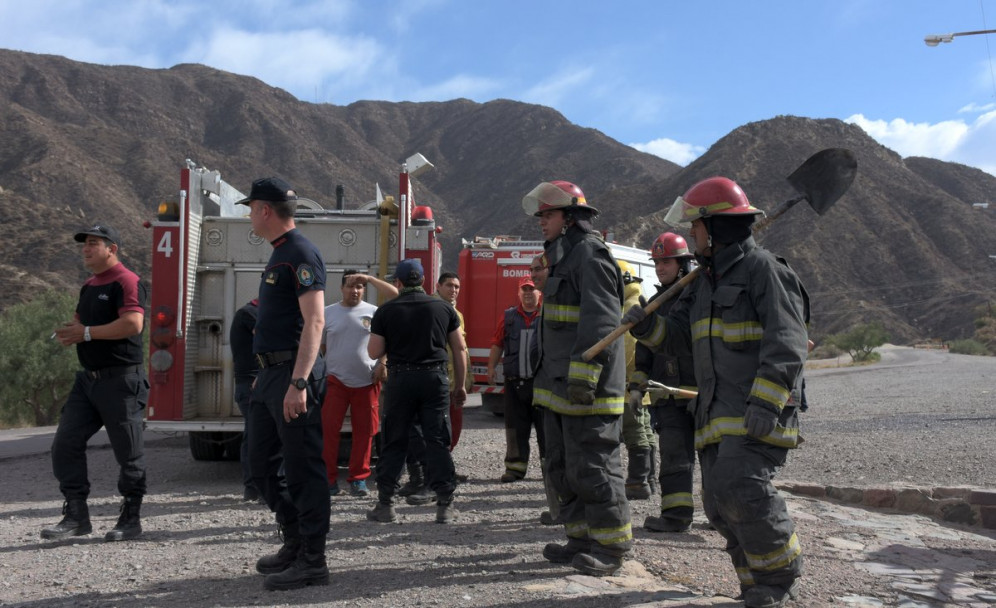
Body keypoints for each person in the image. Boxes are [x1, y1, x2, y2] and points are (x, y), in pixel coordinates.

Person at [624, 177, 809, 607]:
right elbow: (679, 339)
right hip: (714, 411)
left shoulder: (764, 270)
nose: (692, 237)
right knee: (719, 503)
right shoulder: (702, 284)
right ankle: (754, 583)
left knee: (741, 485)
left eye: (696, 227)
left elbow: (788, 340)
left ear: (715, 227)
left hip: (756, 409)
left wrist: (767, 399)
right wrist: (649, 327)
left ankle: (781, 579)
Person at [523, 180, 631, 577]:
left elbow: (601, 322)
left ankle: (612, 546)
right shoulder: (564, 259)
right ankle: (581, 538)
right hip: (559, 388)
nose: (541, 223)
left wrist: (584, 379)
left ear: (570, 218)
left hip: (589, 390)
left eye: (548, 215)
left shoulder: (590, 256)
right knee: (563, 467)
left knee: (594, 468)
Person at [236, 177, 330, 592]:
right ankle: (293, 539)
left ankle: (313, 560)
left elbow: (315, 321)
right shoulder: (279, 255)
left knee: (303, 470)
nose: (248, 214)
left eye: (250, 207)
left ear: (264, 210)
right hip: (269, 377)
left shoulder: (300, 253)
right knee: (259, 468)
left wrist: (299, 381)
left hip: (293, 374)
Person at [43, 224, 149, 543]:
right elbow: (81, 321)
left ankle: (131, 518)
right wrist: (71, 330)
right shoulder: (89, 285)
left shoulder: (127, 281)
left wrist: (86, 333)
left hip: (121, 380)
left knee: (128, 454)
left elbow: (133, 323)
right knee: (65, 443)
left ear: (111, 248)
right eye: (83, 245)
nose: (86, 249)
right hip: (87, 382)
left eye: (93, 244)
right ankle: (76, 516)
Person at [366, 258, 467, 525]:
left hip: (401, 379)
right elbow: (459, 349)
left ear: (397, 282)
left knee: (394, 441)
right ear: (423, 281)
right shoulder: (444, 308)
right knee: (437, 440)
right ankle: (445, 505)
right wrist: (460, 386)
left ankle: (386, 504)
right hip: (434, 379)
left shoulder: (386, 311)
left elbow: (374, 352)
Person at [633, 233, 698, 532]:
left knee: (715, 457)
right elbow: (644, 352)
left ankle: (724, 516)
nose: (660, 267)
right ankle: (675, 516)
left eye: (666, 261)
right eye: (657, 262)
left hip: (699, 392)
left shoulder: (699, 297)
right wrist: (637, 385)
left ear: (683, 263)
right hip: (666, 396)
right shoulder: (655, 303)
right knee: (673, 457)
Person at [321, 270, 396, 498]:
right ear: (341, 288)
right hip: (336, 382)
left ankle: (358, 480)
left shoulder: (375, 312)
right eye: (350, 286)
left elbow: (395, 297)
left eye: (359, 287)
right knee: (328, 432)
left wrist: (382, 362)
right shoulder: (328, 313)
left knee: (365, 433)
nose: (355, 291)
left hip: (367, 382)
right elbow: (323, 347)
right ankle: (328, 480)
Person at [399, 271, 472, 504]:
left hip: (450, 382)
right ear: (437, 286)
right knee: (427, 433)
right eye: (449, 285)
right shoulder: (428, 307)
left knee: (447, 433)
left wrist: (463, 382)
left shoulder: (456, 313)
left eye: (457, 286)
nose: (454, 290)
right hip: (433, 381)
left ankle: (442, 472)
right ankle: (429, 478)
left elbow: (461, 350)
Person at [486, 276, 543, 484]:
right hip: (514, 383)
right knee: (515, 429)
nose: (528, 293)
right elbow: (497, 342)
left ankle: (550, 469)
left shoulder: (547, 316)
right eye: (524, 290)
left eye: (532, 290)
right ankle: (515, 468)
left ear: (539, 293)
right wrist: (491, 367)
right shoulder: (509, 316)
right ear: (519, 294)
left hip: (541, 384)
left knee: (547, 430)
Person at [616, 260, 656, 501]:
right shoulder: (639, 302)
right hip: (640, 386)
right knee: (645, 432)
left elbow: (627, 351)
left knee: (634, 433)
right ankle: (649, 479)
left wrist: (625, 382)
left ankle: (637, 482)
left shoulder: (628, 308)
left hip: (628, 386)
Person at [230, 298, 262, 503]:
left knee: (259, 436)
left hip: (255, 384)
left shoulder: (255, 312)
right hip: (252, 385)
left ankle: (257, 488)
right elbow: (267, 340)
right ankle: (254, 488)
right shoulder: (250, 313)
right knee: (256, 437)